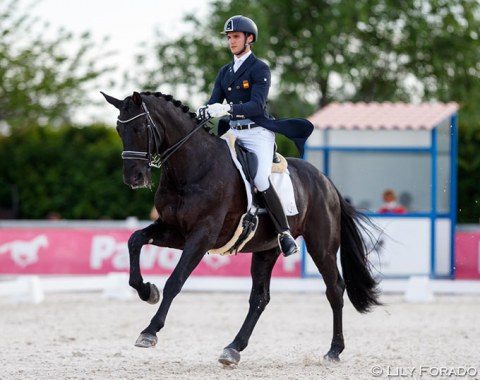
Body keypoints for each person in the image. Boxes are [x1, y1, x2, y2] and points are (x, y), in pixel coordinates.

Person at [199, 15, 313, 256]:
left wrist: (228, 109)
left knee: (261, 179)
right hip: (232, 132)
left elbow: (257, 106)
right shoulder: (225, 72)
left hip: (258, 132)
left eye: (236, 37)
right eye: (229, 37)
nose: (231, 41)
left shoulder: (259, 69)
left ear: (249, 39)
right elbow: (214, 102)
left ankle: (284, 233)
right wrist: (205, 111)